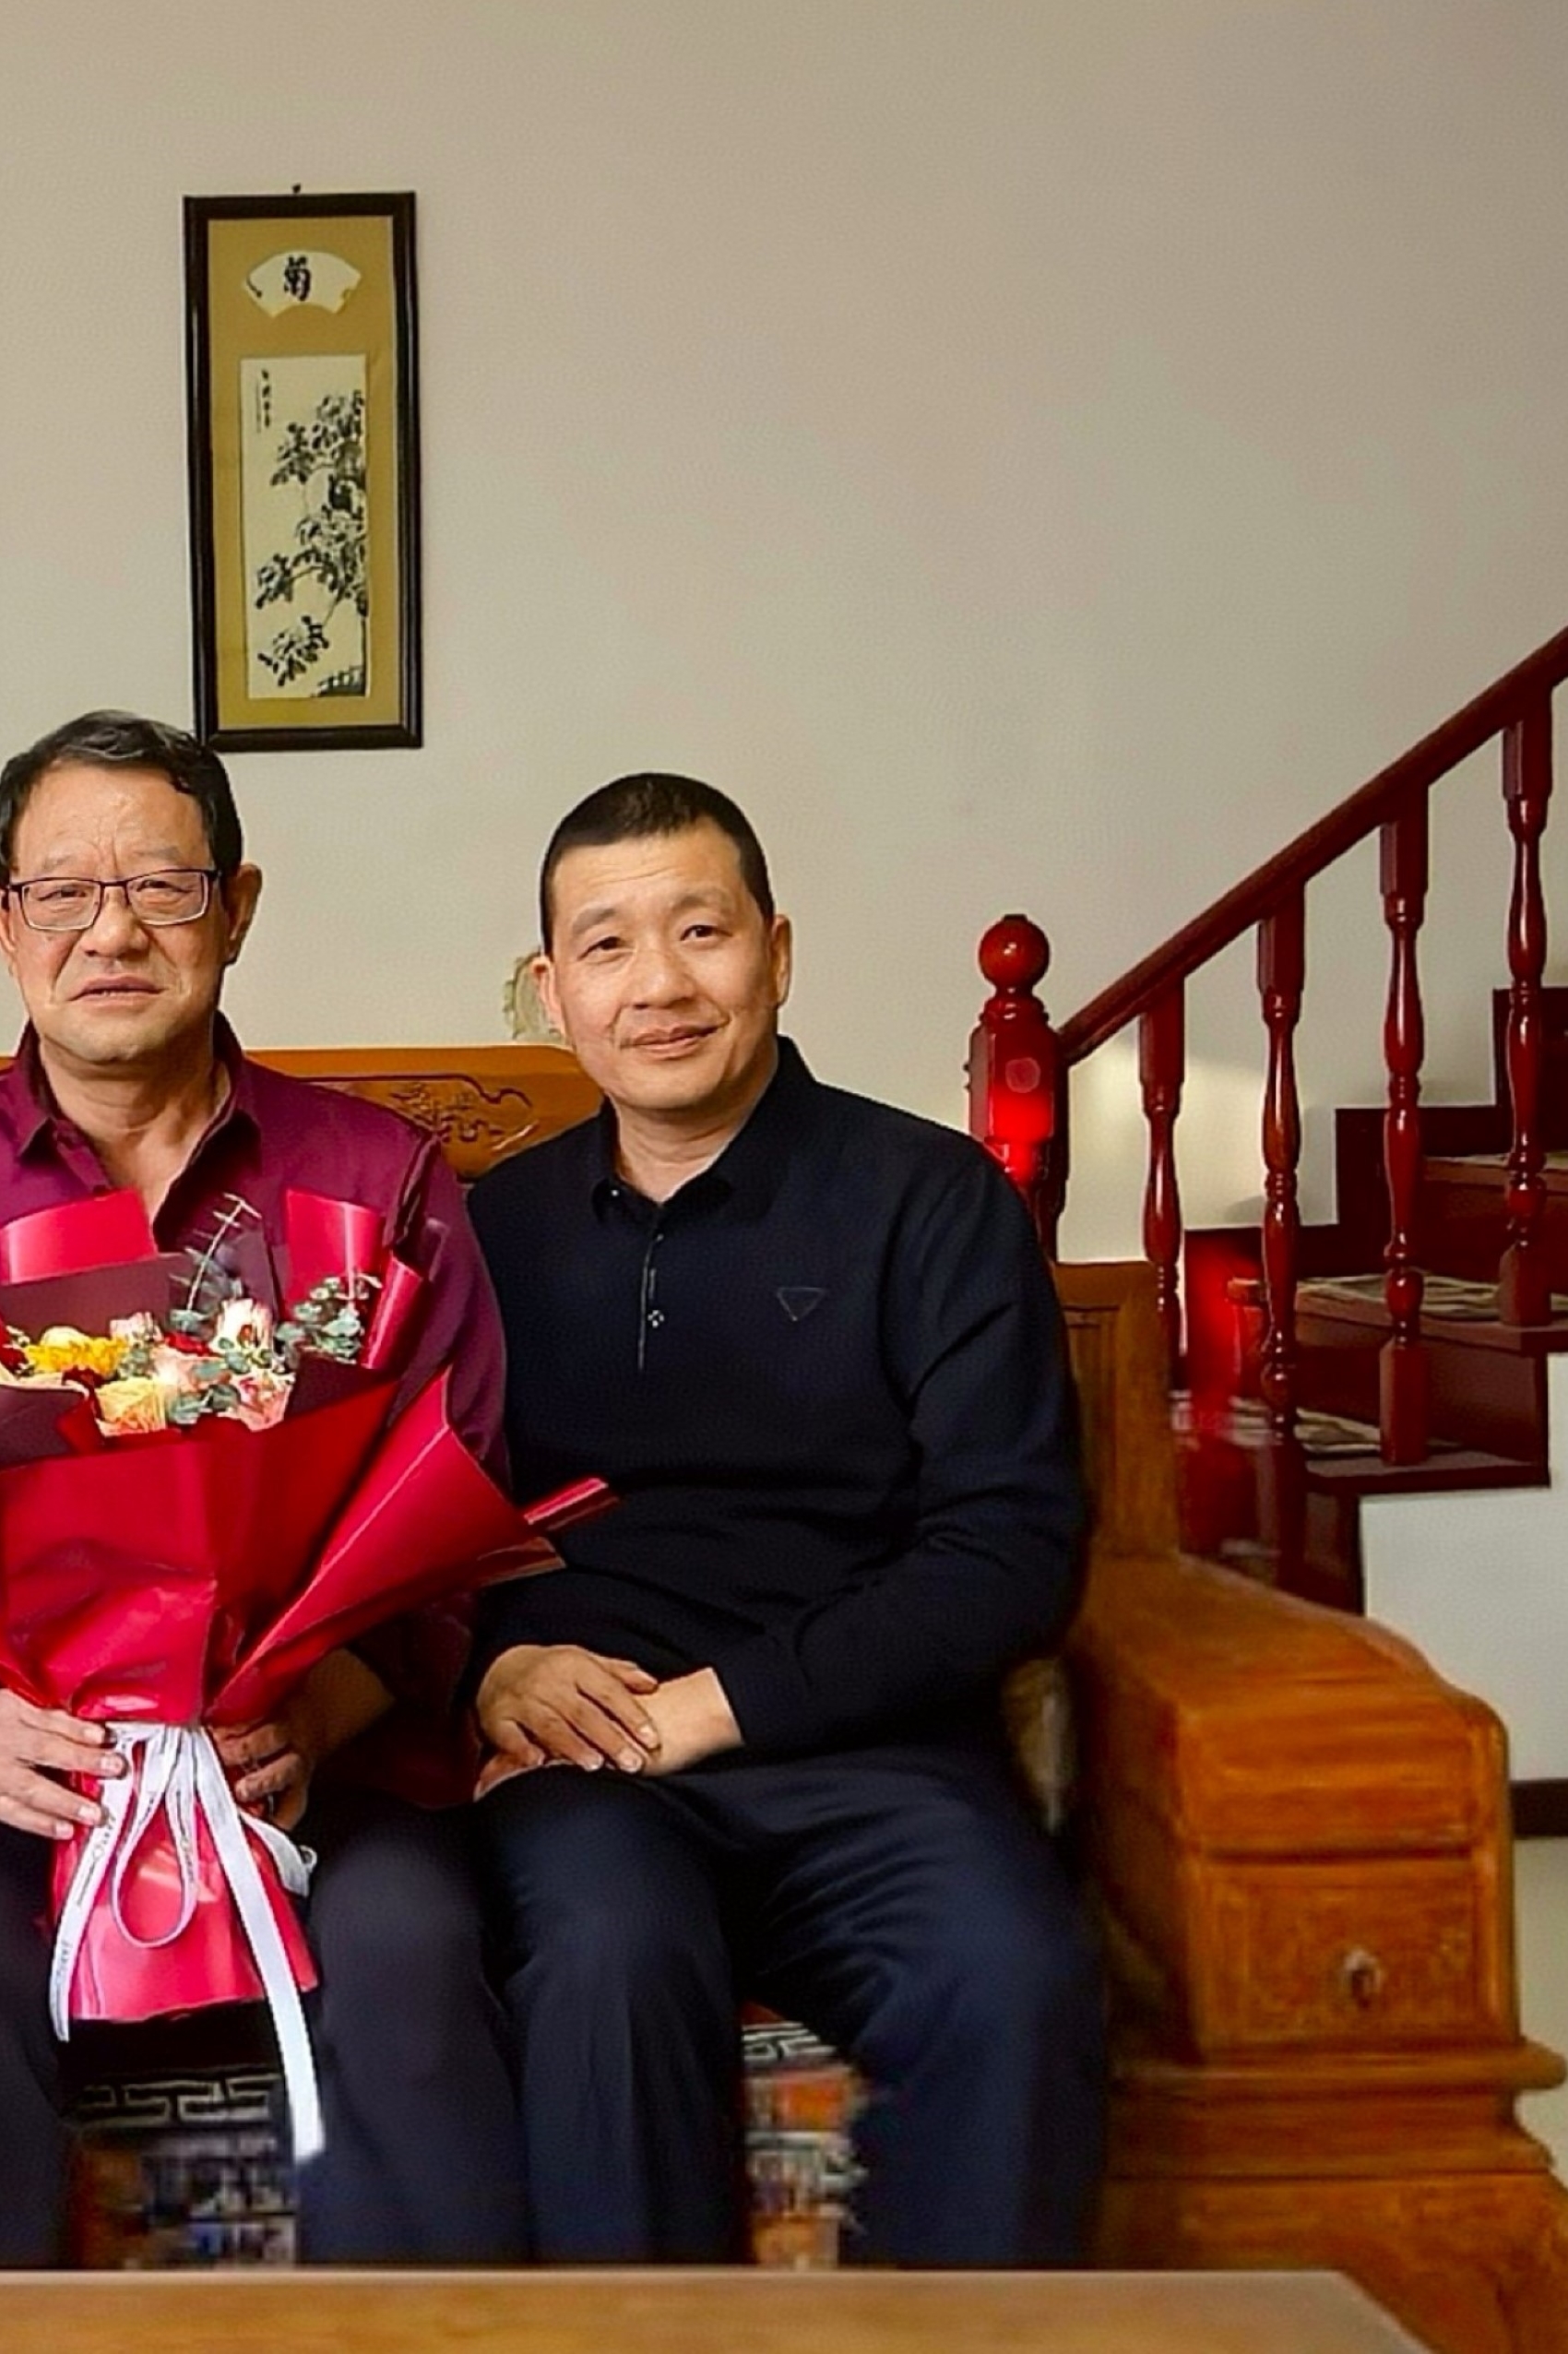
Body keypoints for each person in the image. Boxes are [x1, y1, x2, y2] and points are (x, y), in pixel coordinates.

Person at [0, 707, 529, 2265]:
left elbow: (457, 1515)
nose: (111, 931)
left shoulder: (379, 1179)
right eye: (63, 890)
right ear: (2, 920)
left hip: (309, 1762)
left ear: (236, 907)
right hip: (8, 1776)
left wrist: (314, 1715)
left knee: (412, 1940)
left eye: (163, 887)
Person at [465, 770, 1103, 2266]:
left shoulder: (930, 1201)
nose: (660, 984)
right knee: (608, 1966)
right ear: (554, 994)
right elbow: (417, 1534)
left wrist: (714, 1705)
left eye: (702, 930)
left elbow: (1010, 1549)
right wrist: (492, 1666)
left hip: (875, 1757)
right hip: (591, 1764)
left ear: (779, 950)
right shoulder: (492, 1229)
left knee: (1015, 1980)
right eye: (608, 945)